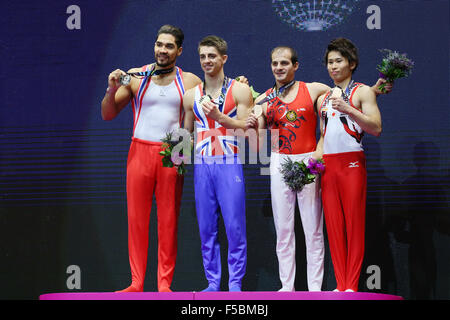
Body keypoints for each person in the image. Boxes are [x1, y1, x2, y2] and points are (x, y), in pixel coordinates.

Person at [247, 46, 391, 292]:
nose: (279, 67)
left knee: (313, 228)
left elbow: (349, 95)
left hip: (310, 158)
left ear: (295, 65)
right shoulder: (263, 99)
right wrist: (250, 124)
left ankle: (316, 288)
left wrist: (374, 91)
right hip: (280, 159)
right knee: (284, 229)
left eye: (284, 63)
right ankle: (287, 286)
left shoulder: (315, 89)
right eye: (275, 63)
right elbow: (254, 141)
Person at [101, 25, 201, 292]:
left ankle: (164, 285)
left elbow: (213, 99)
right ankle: (136, 283)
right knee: (137, 219)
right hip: (139, 151)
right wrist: (111, 90)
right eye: (159, 44)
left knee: (168, 220)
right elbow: (108, 114)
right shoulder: (136, 77)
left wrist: (240, 85)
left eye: (169, 46)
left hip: (174, 150)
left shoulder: (190, 81)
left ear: (179, 50)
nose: (162, 50)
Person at [182, 35, 254, 292]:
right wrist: (177, 157)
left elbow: (247, 130)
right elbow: (186, 133)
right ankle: (213, 283)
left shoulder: (239, 90)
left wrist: (220, 117)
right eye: (202, 56)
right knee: (206, 228)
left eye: (211, 56)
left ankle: (234, 283)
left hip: (228, 162)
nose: (206, 61)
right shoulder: (191, 96)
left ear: (224, 59)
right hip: (202, 166)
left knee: (234, 226)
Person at [316, 37, 385, 292]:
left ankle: (352, 286)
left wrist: (348, 109)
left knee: (353, 225)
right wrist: (315, 160)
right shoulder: (324, 98)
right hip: (329, 167)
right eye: (329, 62)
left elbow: (376, 128)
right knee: (333, 227)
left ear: (352, 63)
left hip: (352, 164)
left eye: (338, 61)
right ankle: (340, 284)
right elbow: (324, 135)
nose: (333, 67)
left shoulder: (363, 91)